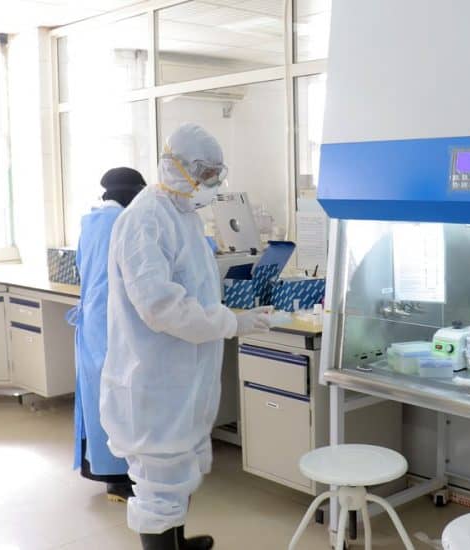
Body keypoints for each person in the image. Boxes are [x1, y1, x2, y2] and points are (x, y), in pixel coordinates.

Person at [100, 124, 273, 550]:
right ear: (172, 165)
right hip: (155, 381)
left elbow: (196, 290)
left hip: (184, 377)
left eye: (216, 174)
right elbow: (162, 307)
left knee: (181, 472)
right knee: (159, 486)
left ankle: (176, 542)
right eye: (204, 173)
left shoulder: (185, 216)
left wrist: (228, 315)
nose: (210, 183)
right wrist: (232, 323)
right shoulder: (144, 220)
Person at [70, 167, 146, 503]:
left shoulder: (90, 222)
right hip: (114, 323)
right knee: (120, 398)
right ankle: (122, 478)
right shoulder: (125, 222)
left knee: (97, 397)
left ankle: (105, 472)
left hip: (93, 323)